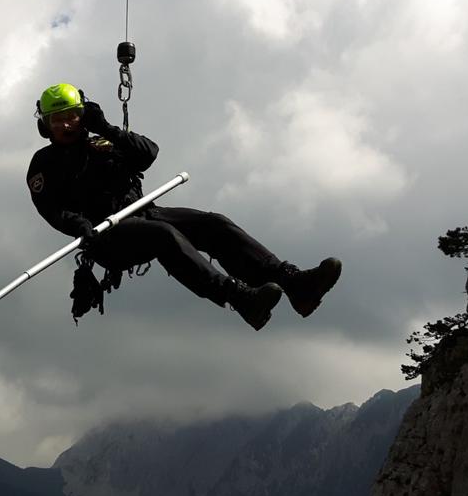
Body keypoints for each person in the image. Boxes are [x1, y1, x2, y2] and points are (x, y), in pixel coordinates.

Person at [26, 83, 341, 331]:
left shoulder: (102, 143)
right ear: (46, 125)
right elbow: (51, 209)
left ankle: (296, 285)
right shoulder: (44, 164)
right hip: (105, 235)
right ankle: (240, 298)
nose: (67, 124)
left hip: (145, 213)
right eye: (58, 119)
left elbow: (148, 153)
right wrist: (79, 225)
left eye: (73, 115)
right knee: (162, 235)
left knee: (214, 224)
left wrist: (108, 128)